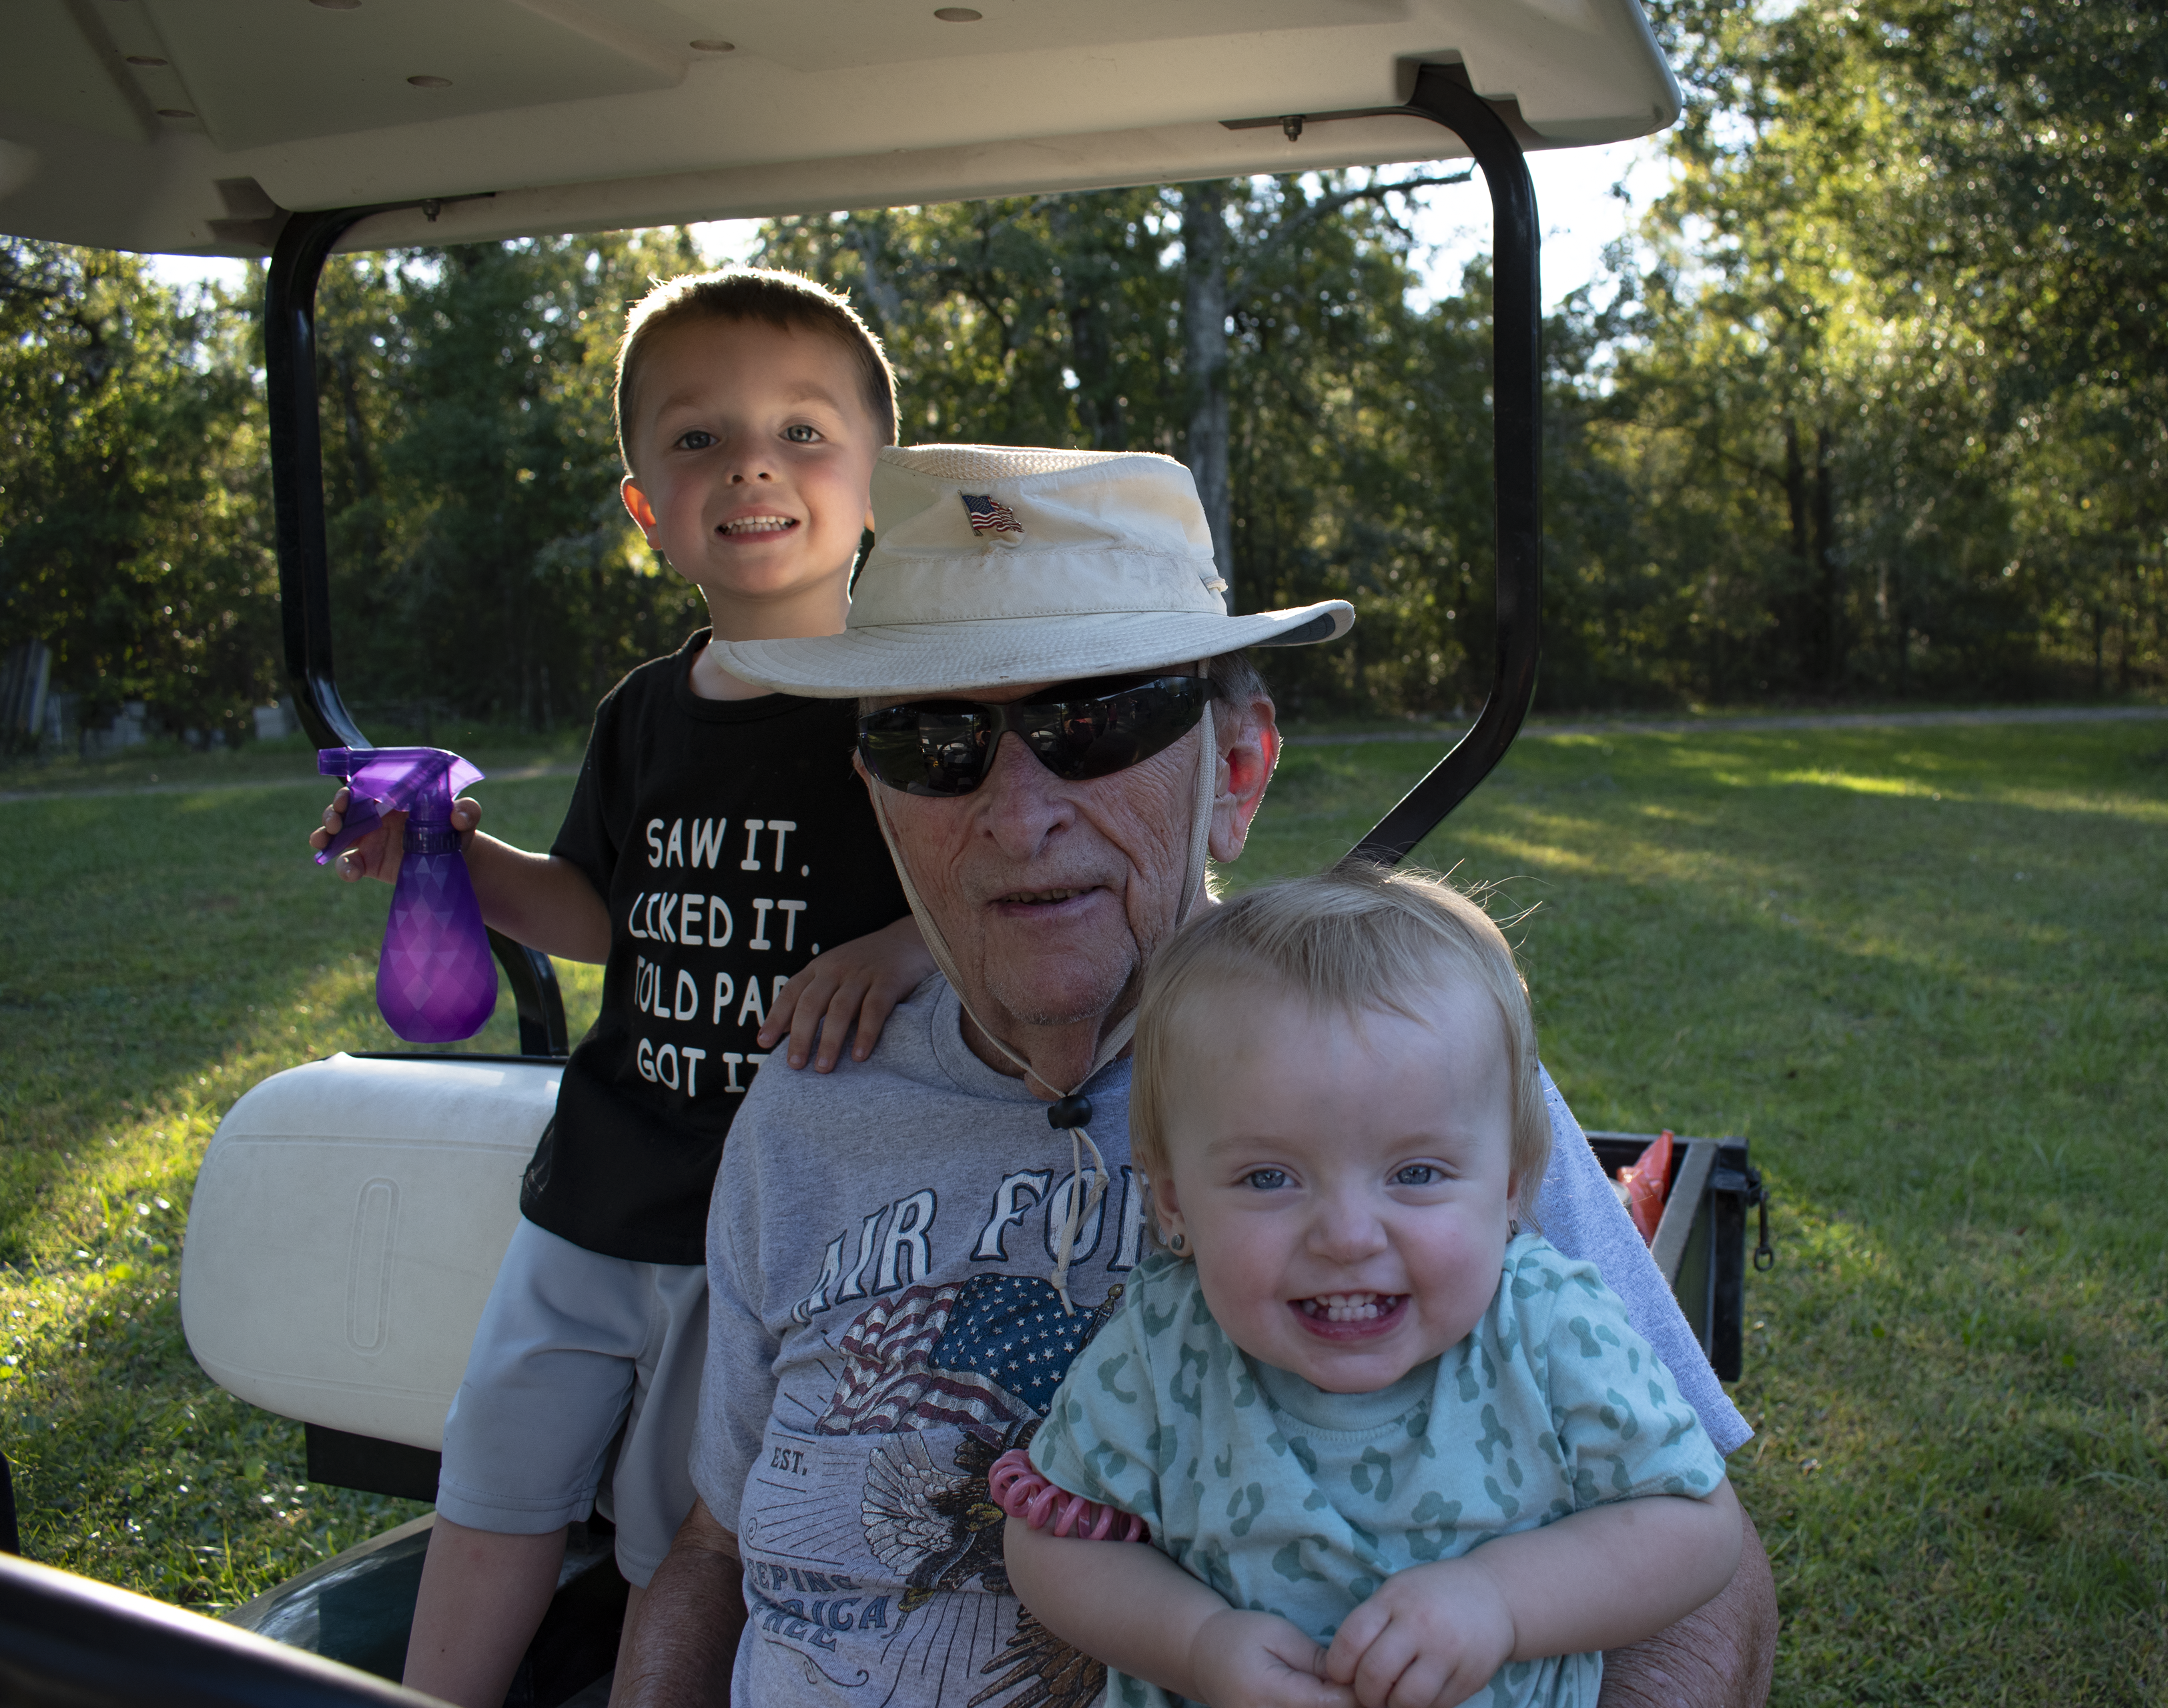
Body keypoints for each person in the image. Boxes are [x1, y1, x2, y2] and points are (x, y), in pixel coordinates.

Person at [620, 444, 1778, 1708]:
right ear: (879, 795)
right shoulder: (807, 1101)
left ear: (1234, 772)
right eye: (933, 741)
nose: (1017, 815)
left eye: (1095, 721)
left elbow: (1702, 1562)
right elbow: (716, 1547)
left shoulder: (1395, 1098)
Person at [308, 268, 938, 1708]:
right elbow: (598, 913)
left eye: (801, 430)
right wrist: (453, 856)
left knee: (681, 1531)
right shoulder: (643, 714)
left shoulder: (921, 706)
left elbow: (991, 907)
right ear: (647, 506)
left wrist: (903, 945)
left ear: (874, 485)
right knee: (497, 1473)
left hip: (781, 1221)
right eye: (700, 439)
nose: (754, 463)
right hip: (597, 1185)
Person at [1000, 862, 1743, 1708]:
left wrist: (1501, 1600)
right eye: (1270, 1178)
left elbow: (1697, 1525)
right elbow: (1051, 1542)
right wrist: (1197, 1643)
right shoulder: (1167, 1348)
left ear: (1510, 1187)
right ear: (1175, 1203)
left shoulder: (1547, 1328)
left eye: (1417, 1172)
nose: (1349, 1236)